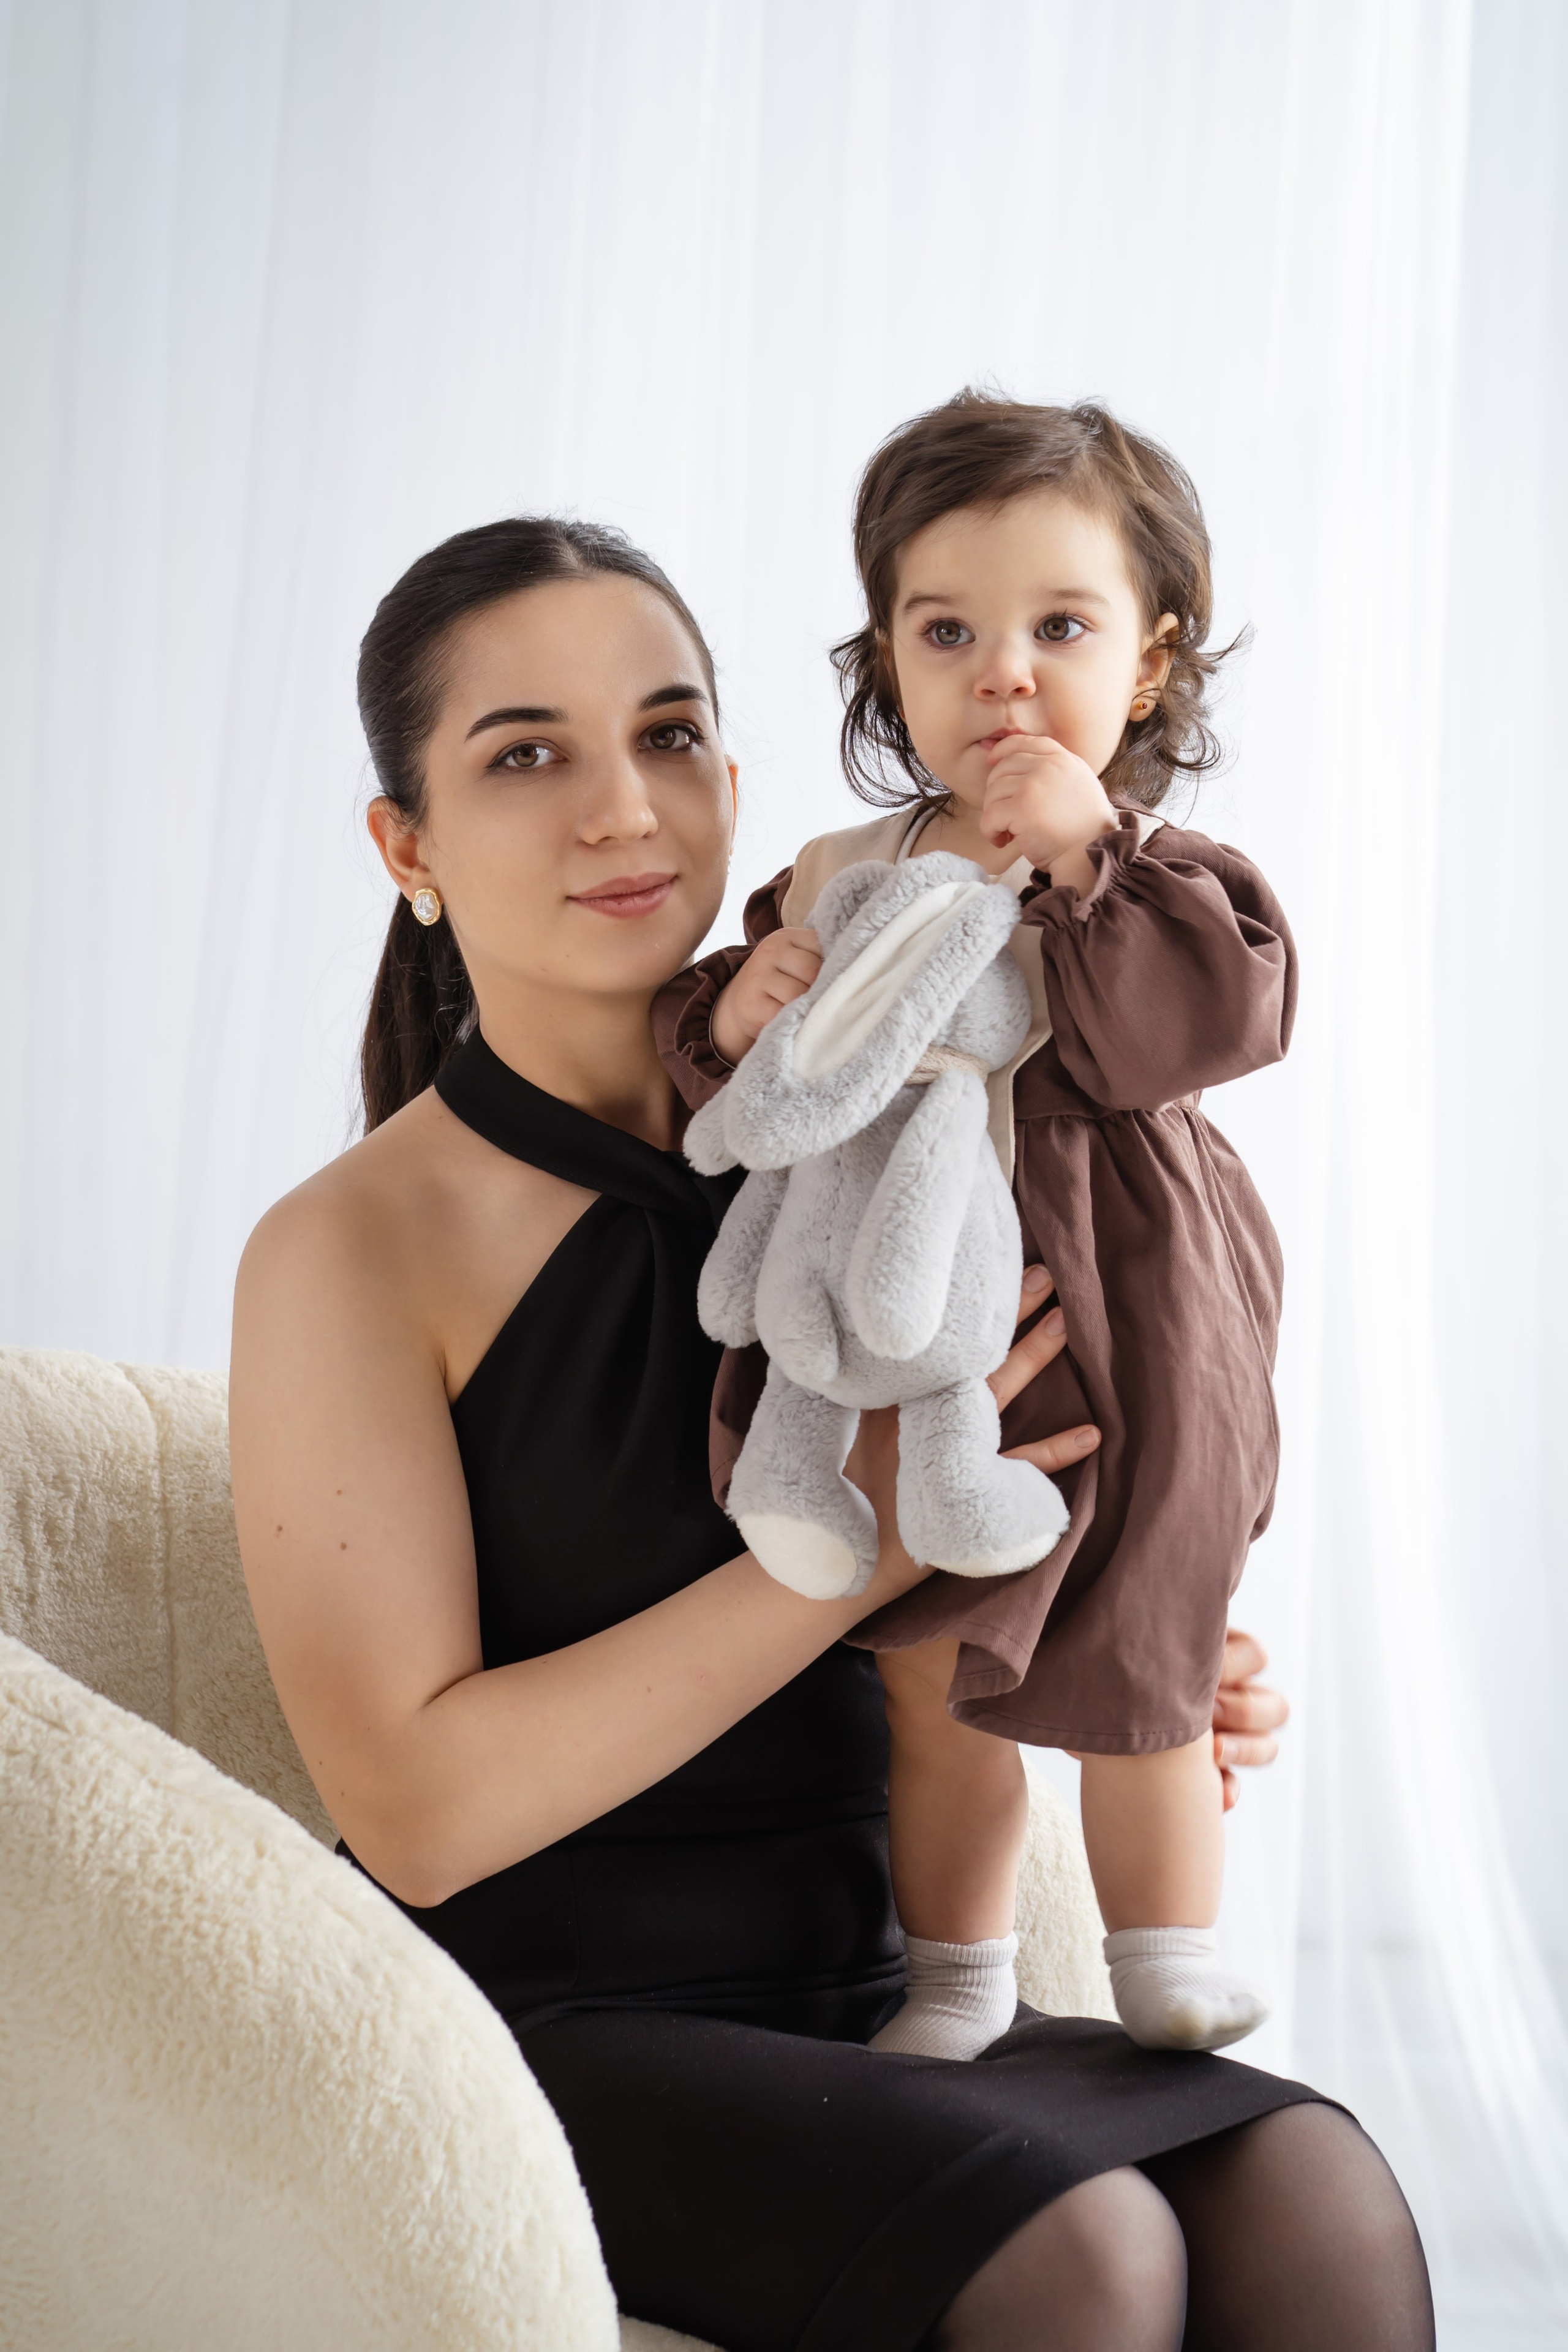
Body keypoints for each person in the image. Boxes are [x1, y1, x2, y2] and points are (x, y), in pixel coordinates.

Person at [230, 514, 1433, 2352]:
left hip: (885, 1991)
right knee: (1085, 2255)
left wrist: (1129, 1635)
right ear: (409, 847)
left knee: (1314, 2194)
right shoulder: (353, 1247)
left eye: (671, 733)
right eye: (527, 755)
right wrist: (861, 1552)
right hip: (548, 2011)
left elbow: (1028, 1509)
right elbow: (419, 1813)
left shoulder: (878, 1129)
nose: (627, 810)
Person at [657, 393, 1286, 2062]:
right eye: (949, 631)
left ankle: (1166, 1949)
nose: (1003, 671)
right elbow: (748, 1077)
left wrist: (1087, 858)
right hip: (901, 1296)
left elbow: (1207, 1021)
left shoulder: (1158, 865)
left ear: (1147, 665)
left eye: (1059, 627)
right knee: (933, 1686)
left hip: (1116, 1300)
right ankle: (955, 1979)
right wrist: (739, 1013)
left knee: (1147, 1666)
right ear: (888, 662)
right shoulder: (839, 867)